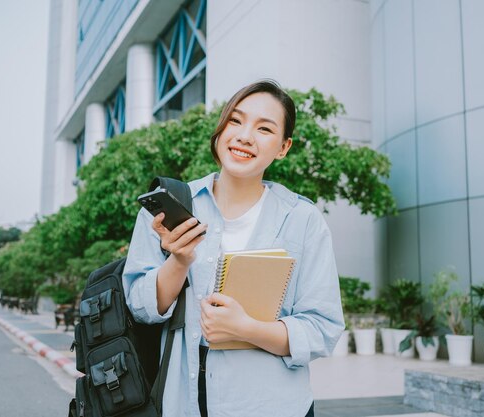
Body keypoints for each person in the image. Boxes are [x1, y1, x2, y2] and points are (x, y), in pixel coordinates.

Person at [123, 80, 344, 417]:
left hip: (273, 406)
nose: (245, 136)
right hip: (184, 402)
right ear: (221, 127)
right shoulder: (171, 206)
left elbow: (322, 328)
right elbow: (139, 305)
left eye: (264, 128)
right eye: (236, 120)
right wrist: (179, 261)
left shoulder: (302, 219)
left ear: (283, 147)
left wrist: (245, 329)